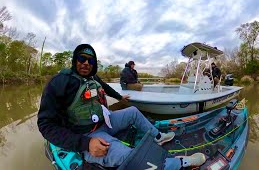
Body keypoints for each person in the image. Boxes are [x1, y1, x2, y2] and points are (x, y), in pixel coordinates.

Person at [37, 44, 206, 169]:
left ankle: (158, 136)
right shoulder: (59, 82)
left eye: (90, 60)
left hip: (106, 122)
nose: (86, 63)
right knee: (129, 155)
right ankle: (179, 164)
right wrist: (85, 144)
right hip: (87, 135)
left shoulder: (93, 77)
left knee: (132, 111)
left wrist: (120, 98)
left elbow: (107, 88)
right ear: (75, 60)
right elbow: (45, 125)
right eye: (81, 59)